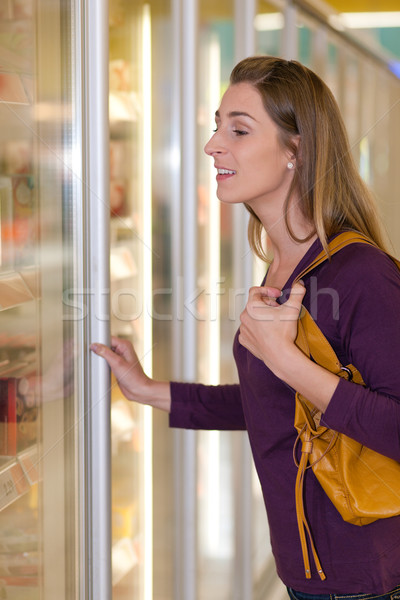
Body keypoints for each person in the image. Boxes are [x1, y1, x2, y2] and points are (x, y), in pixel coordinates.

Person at [90, 56, 400, 598]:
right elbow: (280, 405)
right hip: (310, 574)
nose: (213, 145)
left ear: (294, 151)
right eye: (216, 126)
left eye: (237, 129)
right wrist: (150, 391)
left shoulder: (361, 274)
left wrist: (286, 359)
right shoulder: (285, 266)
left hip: (366, 579)